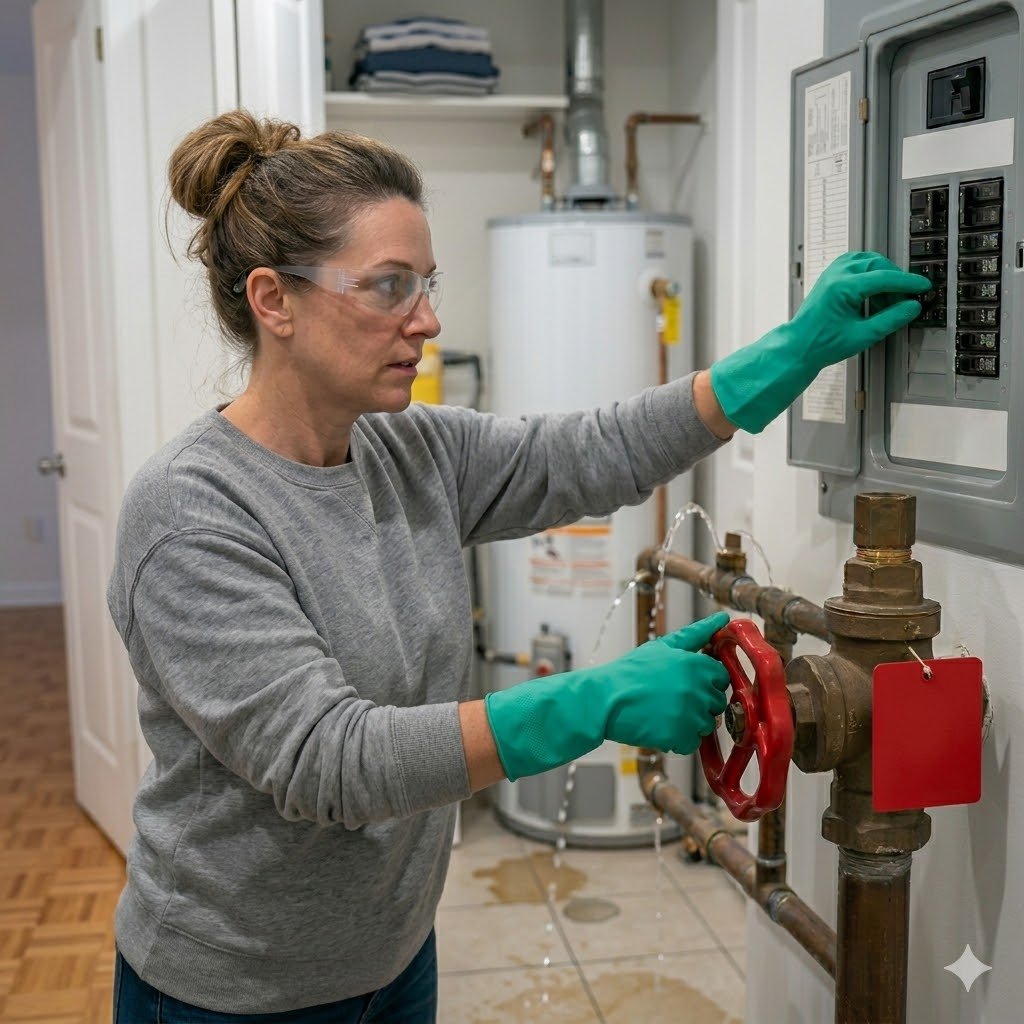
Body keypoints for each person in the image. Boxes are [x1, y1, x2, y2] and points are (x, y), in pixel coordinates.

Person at [106, 109, 930, 1021]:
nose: (427, 319)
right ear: (275, 300)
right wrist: (594, 702)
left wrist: (786, 357)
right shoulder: (190, 515)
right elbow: (328, 762)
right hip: (236, 989)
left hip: (393, 956)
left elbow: (584, 453)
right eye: (389, 287)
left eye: (426, 283)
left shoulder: (404, 451)